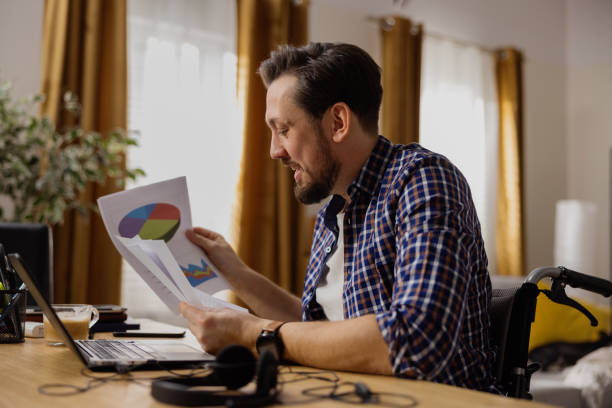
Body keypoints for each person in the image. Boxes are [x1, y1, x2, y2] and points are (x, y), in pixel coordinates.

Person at [180, 42, 496, 391]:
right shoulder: (334, 210)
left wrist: (251, 332)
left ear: (338, 122)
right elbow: (316, 329)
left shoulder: (422, 180)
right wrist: (236, 273)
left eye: (283, 129)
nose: (274, 150)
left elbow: (416, 340)